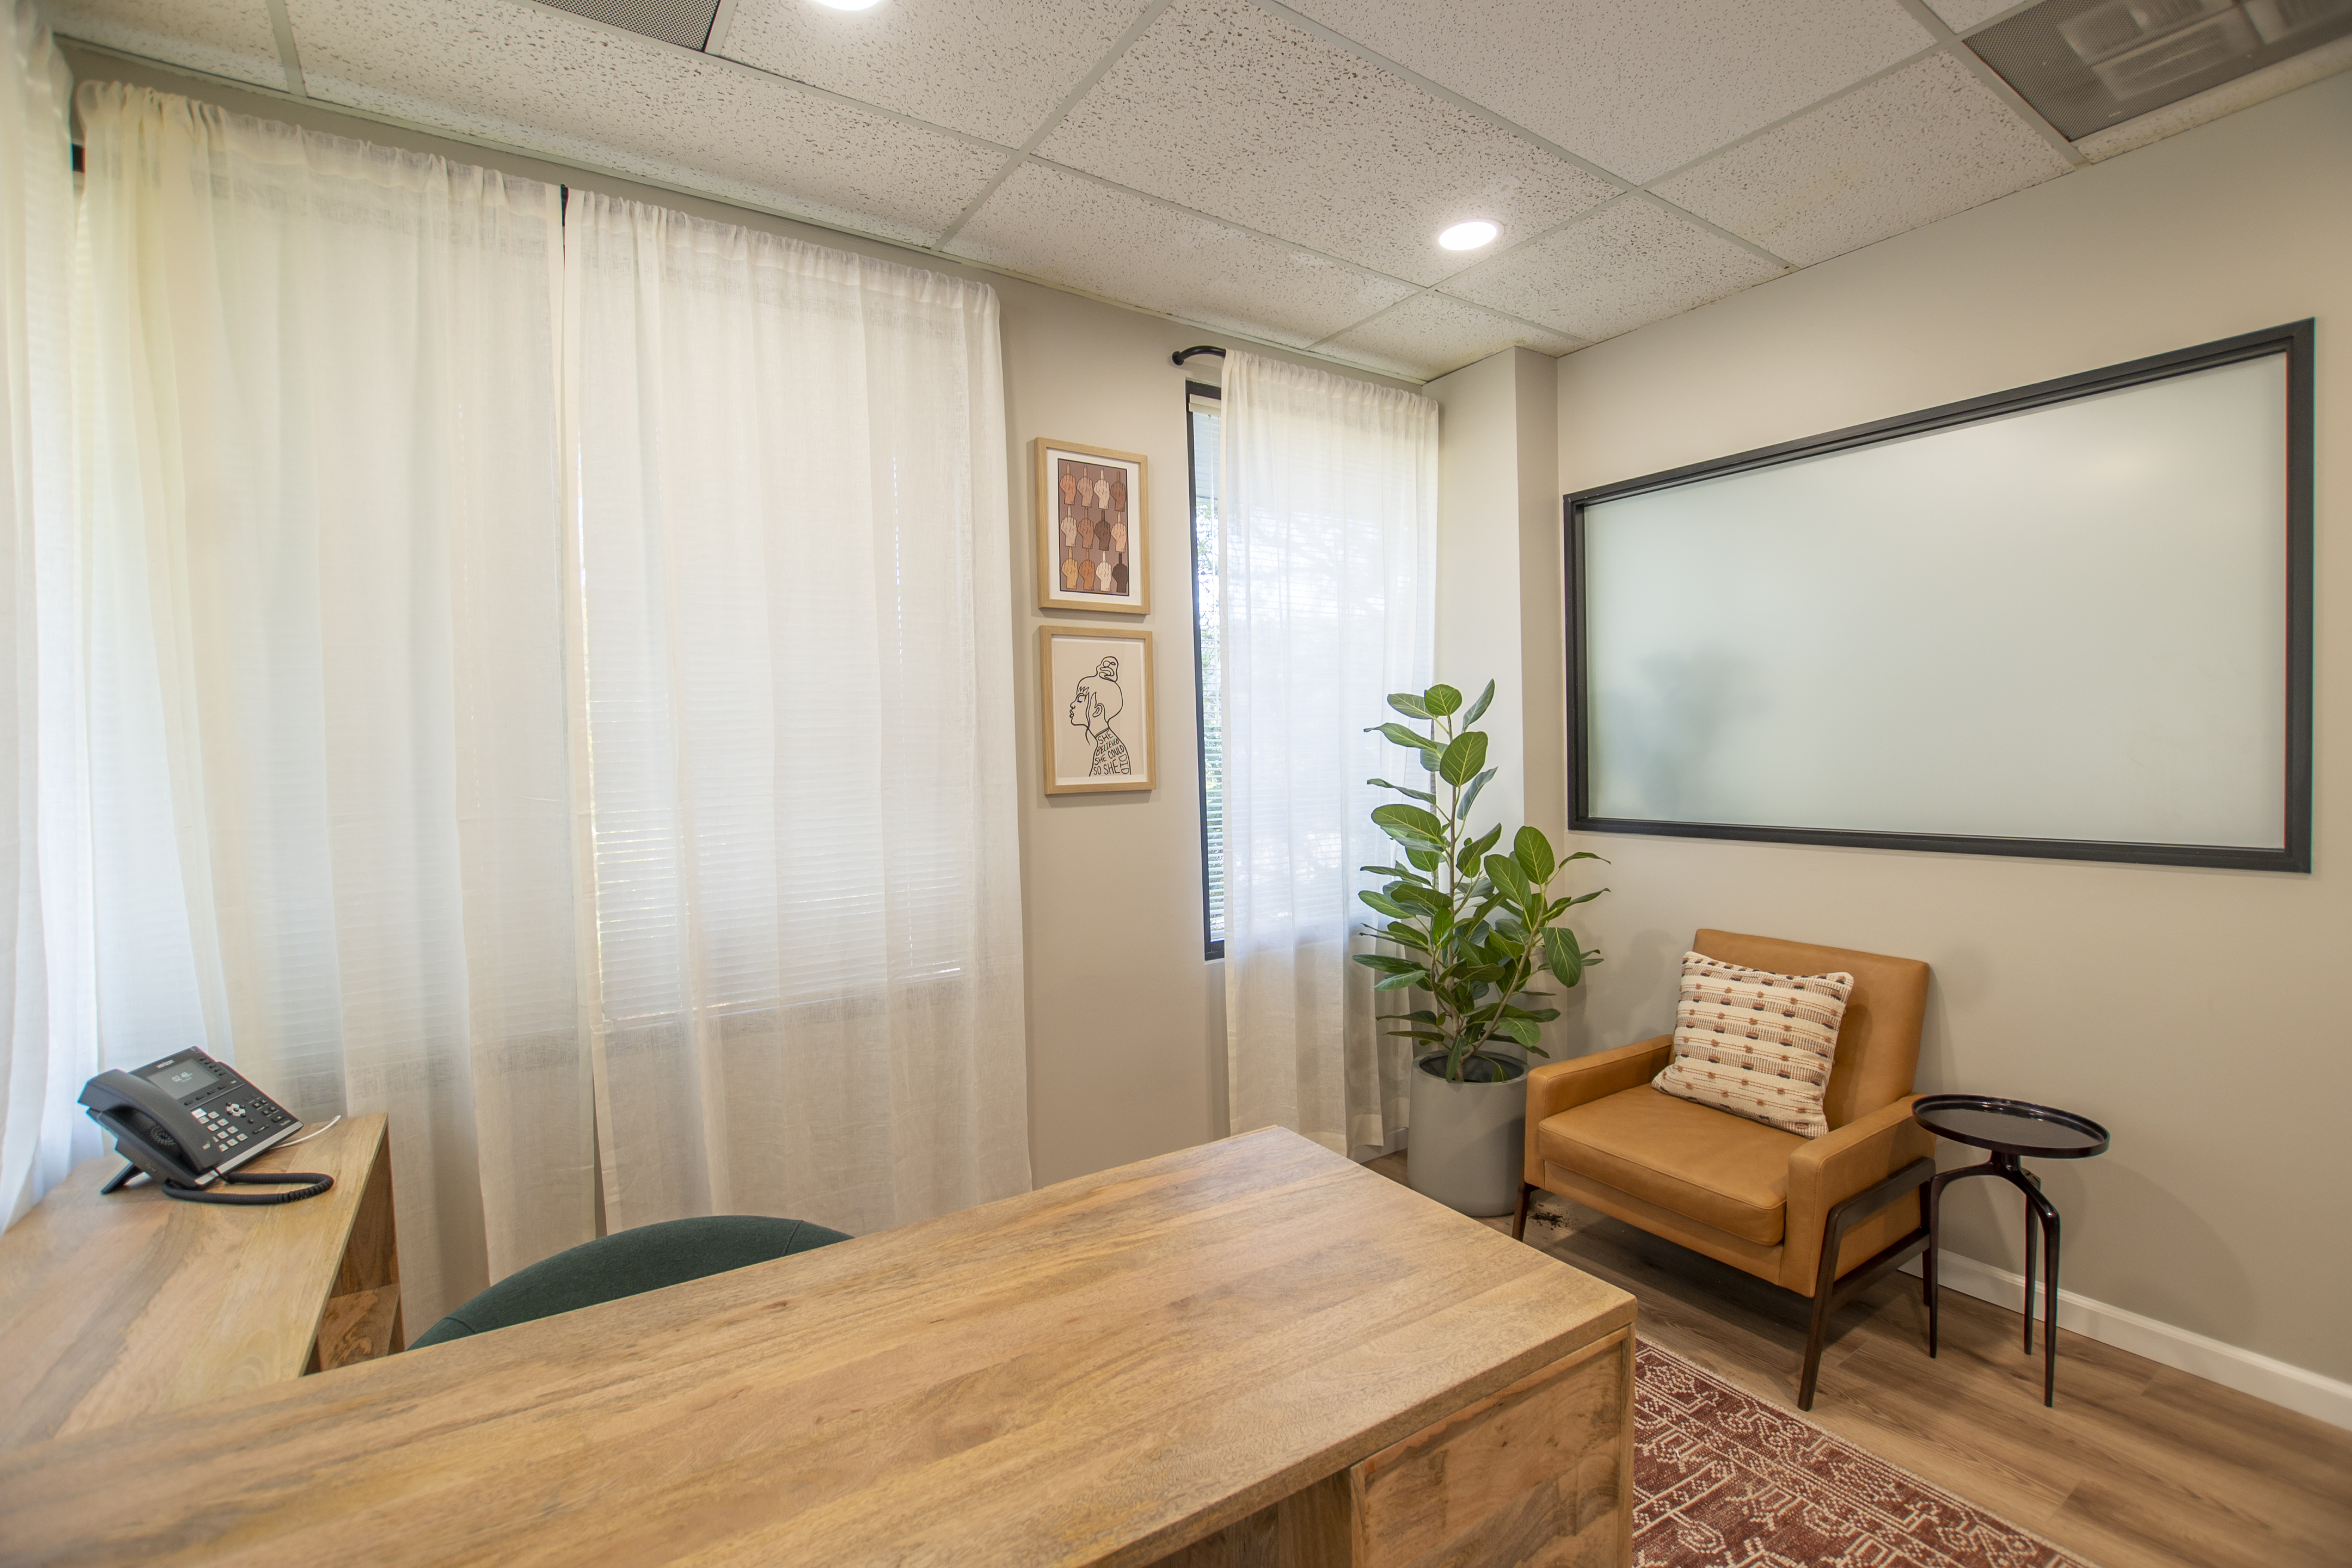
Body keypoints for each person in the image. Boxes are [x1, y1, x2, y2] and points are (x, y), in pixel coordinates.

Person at [1067, 655, 1132, 776]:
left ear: (1097, 710)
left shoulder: (1109, 752)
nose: (1072, 704)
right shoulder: (1104, 746)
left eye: (1080, 699)